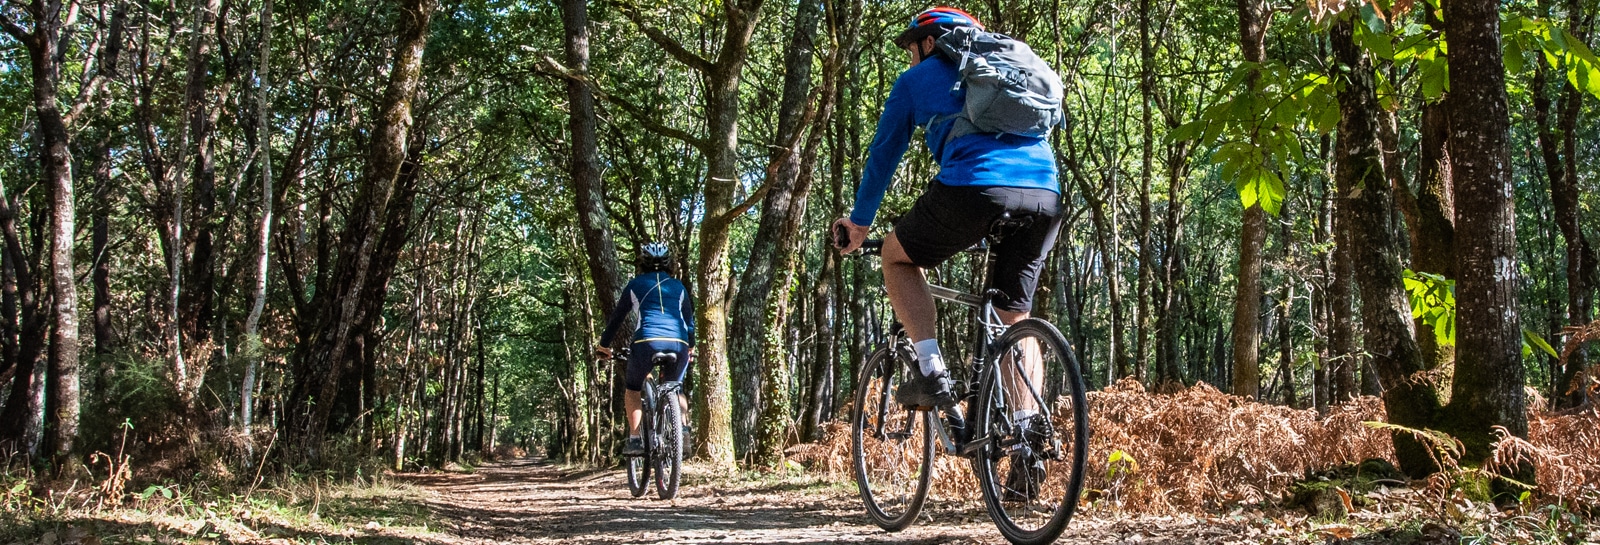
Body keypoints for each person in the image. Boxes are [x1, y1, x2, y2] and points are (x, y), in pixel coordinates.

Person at [831, 6, 1062, 499]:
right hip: (1044, 194)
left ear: (928, 43)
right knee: (1014, 316)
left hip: (973, 188)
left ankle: (932, 373)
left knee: (897, 257)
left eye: (912, 46)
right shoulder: (1013, 66)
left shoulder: (917, 80)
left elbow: (883, 153)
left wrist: (859, 224)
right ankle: (1026, 439)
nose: (911, 57)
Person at [596, 242, 695, 457]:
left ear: (642, 262)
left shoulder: (635, 285)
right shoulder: (678, 287)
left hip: (645, 342)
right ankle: (683, 429)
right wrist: (691, 346)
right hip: (679, 343)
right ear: (670, 262)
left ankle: (634, 439)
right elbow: (689, 322)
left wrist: (604, 345)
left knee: (632, 388)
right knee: (675, 387)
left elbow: (616, 319)